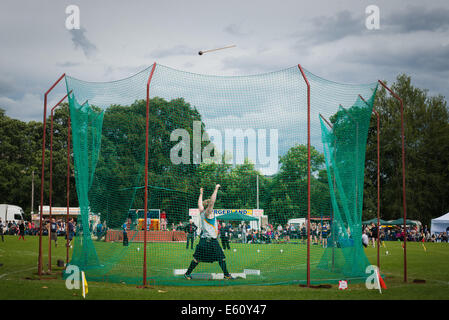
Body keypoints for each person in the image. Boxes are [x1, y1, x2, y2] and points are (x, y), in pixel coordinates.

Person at [184, 185, 232, 280]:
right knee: (218, 258)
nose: (211, 204)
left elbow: (199, 204)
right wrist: (216, 188)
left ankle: (226, 274)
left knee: (215, 258)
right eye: (210, 203)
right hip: (209, 241)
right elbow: (212, 201)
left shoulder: (202, 212)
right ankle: (226, 275)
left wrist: (201, 194)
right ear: (208, 205)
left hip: (206, 241)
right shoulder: (207, 213)